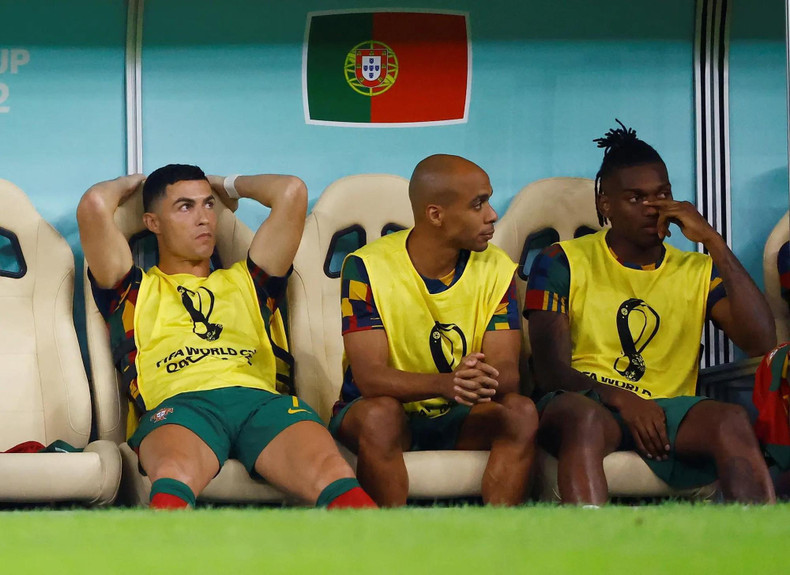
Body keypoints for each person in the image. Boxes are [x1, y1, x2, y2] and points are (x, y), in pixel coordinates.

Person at [78, 164, 376, 509]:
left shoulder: (251, 280)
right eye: (185, 207)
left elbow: (291, 191)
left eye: (208, 205)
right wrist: (133, 183)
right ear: (153, 223)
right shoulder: (133, 290)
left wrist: (226, 186)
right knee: (174, 475)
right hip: (182, 406)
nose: (204, 218)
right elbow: (94, 206)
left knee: (334, 475)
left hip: (260, 403)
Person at [525, 121, 777, 505]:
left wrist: (713, 241)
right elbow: (550, 372)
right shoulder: (561, 260)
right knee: (585, 420)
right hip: (586, 400)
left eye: (663, 194)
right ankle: (583, 551)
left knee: (731, 420)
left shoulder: (698, 270)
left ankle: (762, 549)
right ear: (605, 205)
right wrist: (623, 398)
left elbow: (762, 341)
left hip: (668, 410)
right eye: (636, 198)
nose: (653, 208)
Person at [330, 154, 538, 507]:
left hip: (461, 414)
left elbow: (508, 373)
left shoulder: (496, 268)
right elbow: (370, 379)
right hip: (380, 412)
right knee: (381, 416)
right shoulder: (365, 267)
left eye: (488, 200)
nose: (492, 215)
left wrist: (481, 379)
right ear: (436, 214)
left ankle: (500, 545)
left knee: (520, 412)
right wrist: (447, 383)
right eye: (478, 204)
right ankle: (386, 550)